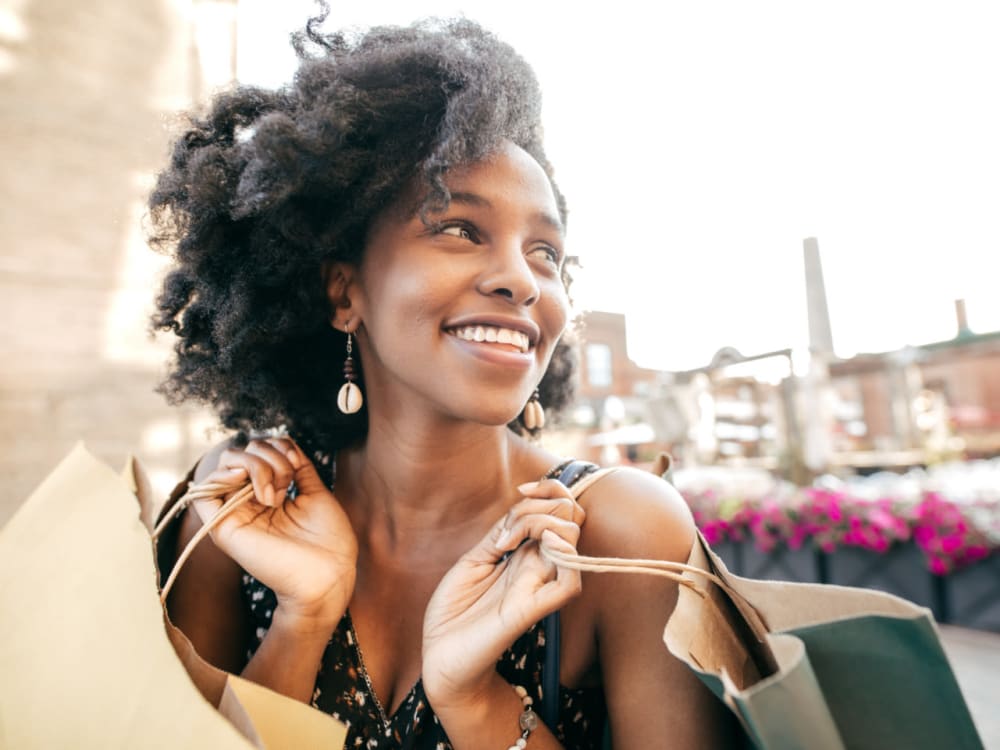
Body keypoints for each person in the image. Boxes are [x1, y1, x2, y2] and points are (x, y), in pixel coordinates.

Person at [150, 8, 737, 749]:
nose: (521, 280)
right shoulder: (240, 510)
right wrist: (301, 622)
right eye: (460, 229)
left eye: (546, 252)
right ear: (343, 293)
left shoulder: (616, 533)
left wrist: (476, 700)